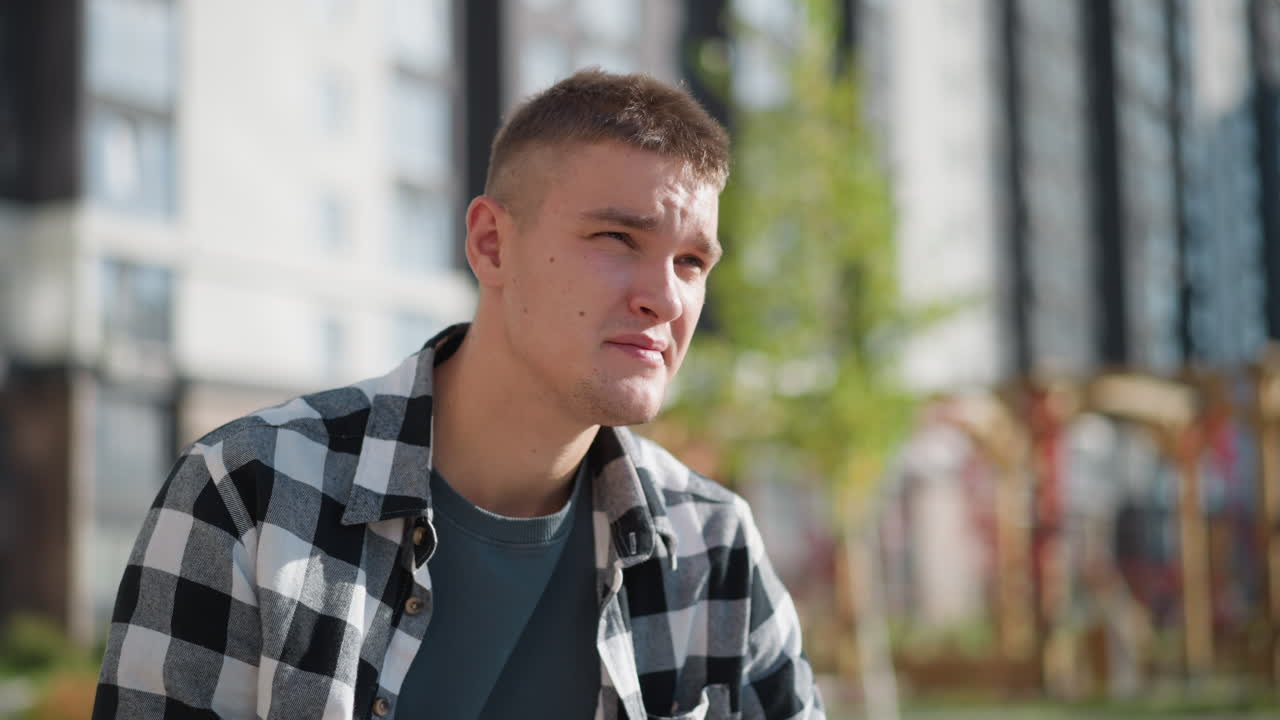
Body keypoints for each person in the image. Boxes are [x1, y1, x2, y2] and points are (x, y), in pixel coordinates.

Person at [94, 69, 825, 720]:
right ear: (491, 244)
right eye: (616, 239)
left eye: (693, 261)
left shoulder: (713, 547)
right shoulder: (251, 493)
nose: (665, 299)